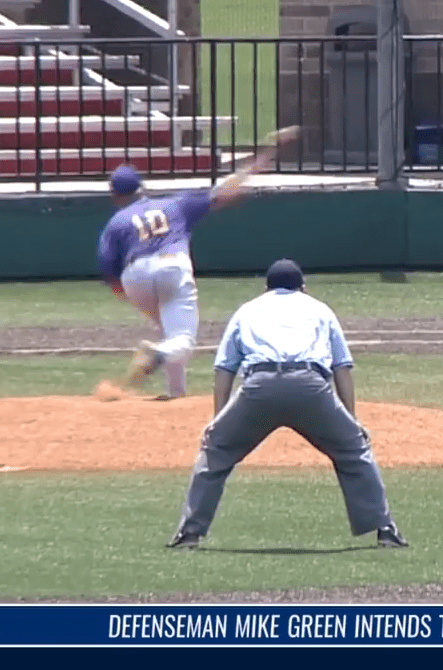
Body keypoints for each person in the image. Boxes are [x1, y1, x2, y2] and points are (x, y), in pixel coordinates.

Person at [167, 258, 408, 550]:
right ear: (303, 287)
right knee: (353, 451)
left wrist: (220, 419)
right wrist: (350, 417)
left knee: (216, 452)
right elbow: (341, 367)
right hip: (311, 387)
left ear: (266, 287)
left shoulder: (248, 310)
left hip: (260, 387)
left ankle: (188, 534)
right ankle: (385, 530)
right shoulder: (319, 309)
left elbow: (225, 368)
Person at [97, 127, 299, 399]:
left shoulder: (115, 223)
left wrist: (134, 297)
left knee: (169, 330)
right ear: (142, 188)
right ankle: (157, 354)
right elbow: (224, 191)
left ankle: (176, 391)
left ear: (114, 195)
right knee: (182, 339)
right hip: (172, 266)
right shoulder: (174, 205)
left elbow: (109, 272)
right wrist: (265, 154)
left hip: (135, 276)